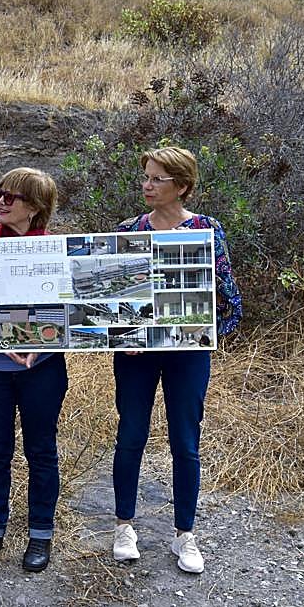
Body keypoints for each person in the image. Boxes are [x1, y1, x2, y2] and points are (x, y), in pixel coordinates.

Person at [111, 146, 243, 574]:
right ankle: (123, 526)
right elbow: (113, 299)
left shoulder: (207, 230)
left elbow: (229, 301)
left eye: (157, 179)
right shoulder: (127, 230)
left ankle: (185, 534)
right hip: (136, 355)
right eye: (145, 177)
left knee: (185, 442)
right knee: (130, 435)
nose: (147, 185)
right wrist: (122, 335)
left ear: (181, 186)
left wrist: (203, 336)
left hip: (188, 356)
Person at [0, 168, 68, 573]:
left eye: (13, 196)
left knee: (41, 451)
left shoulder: (57, 252)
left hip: (43, 368)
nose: (2, 202)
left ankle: (41, 534)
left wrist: (31, 343)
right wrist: (3, 341)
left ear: (36, 207)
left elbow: (62, 313)